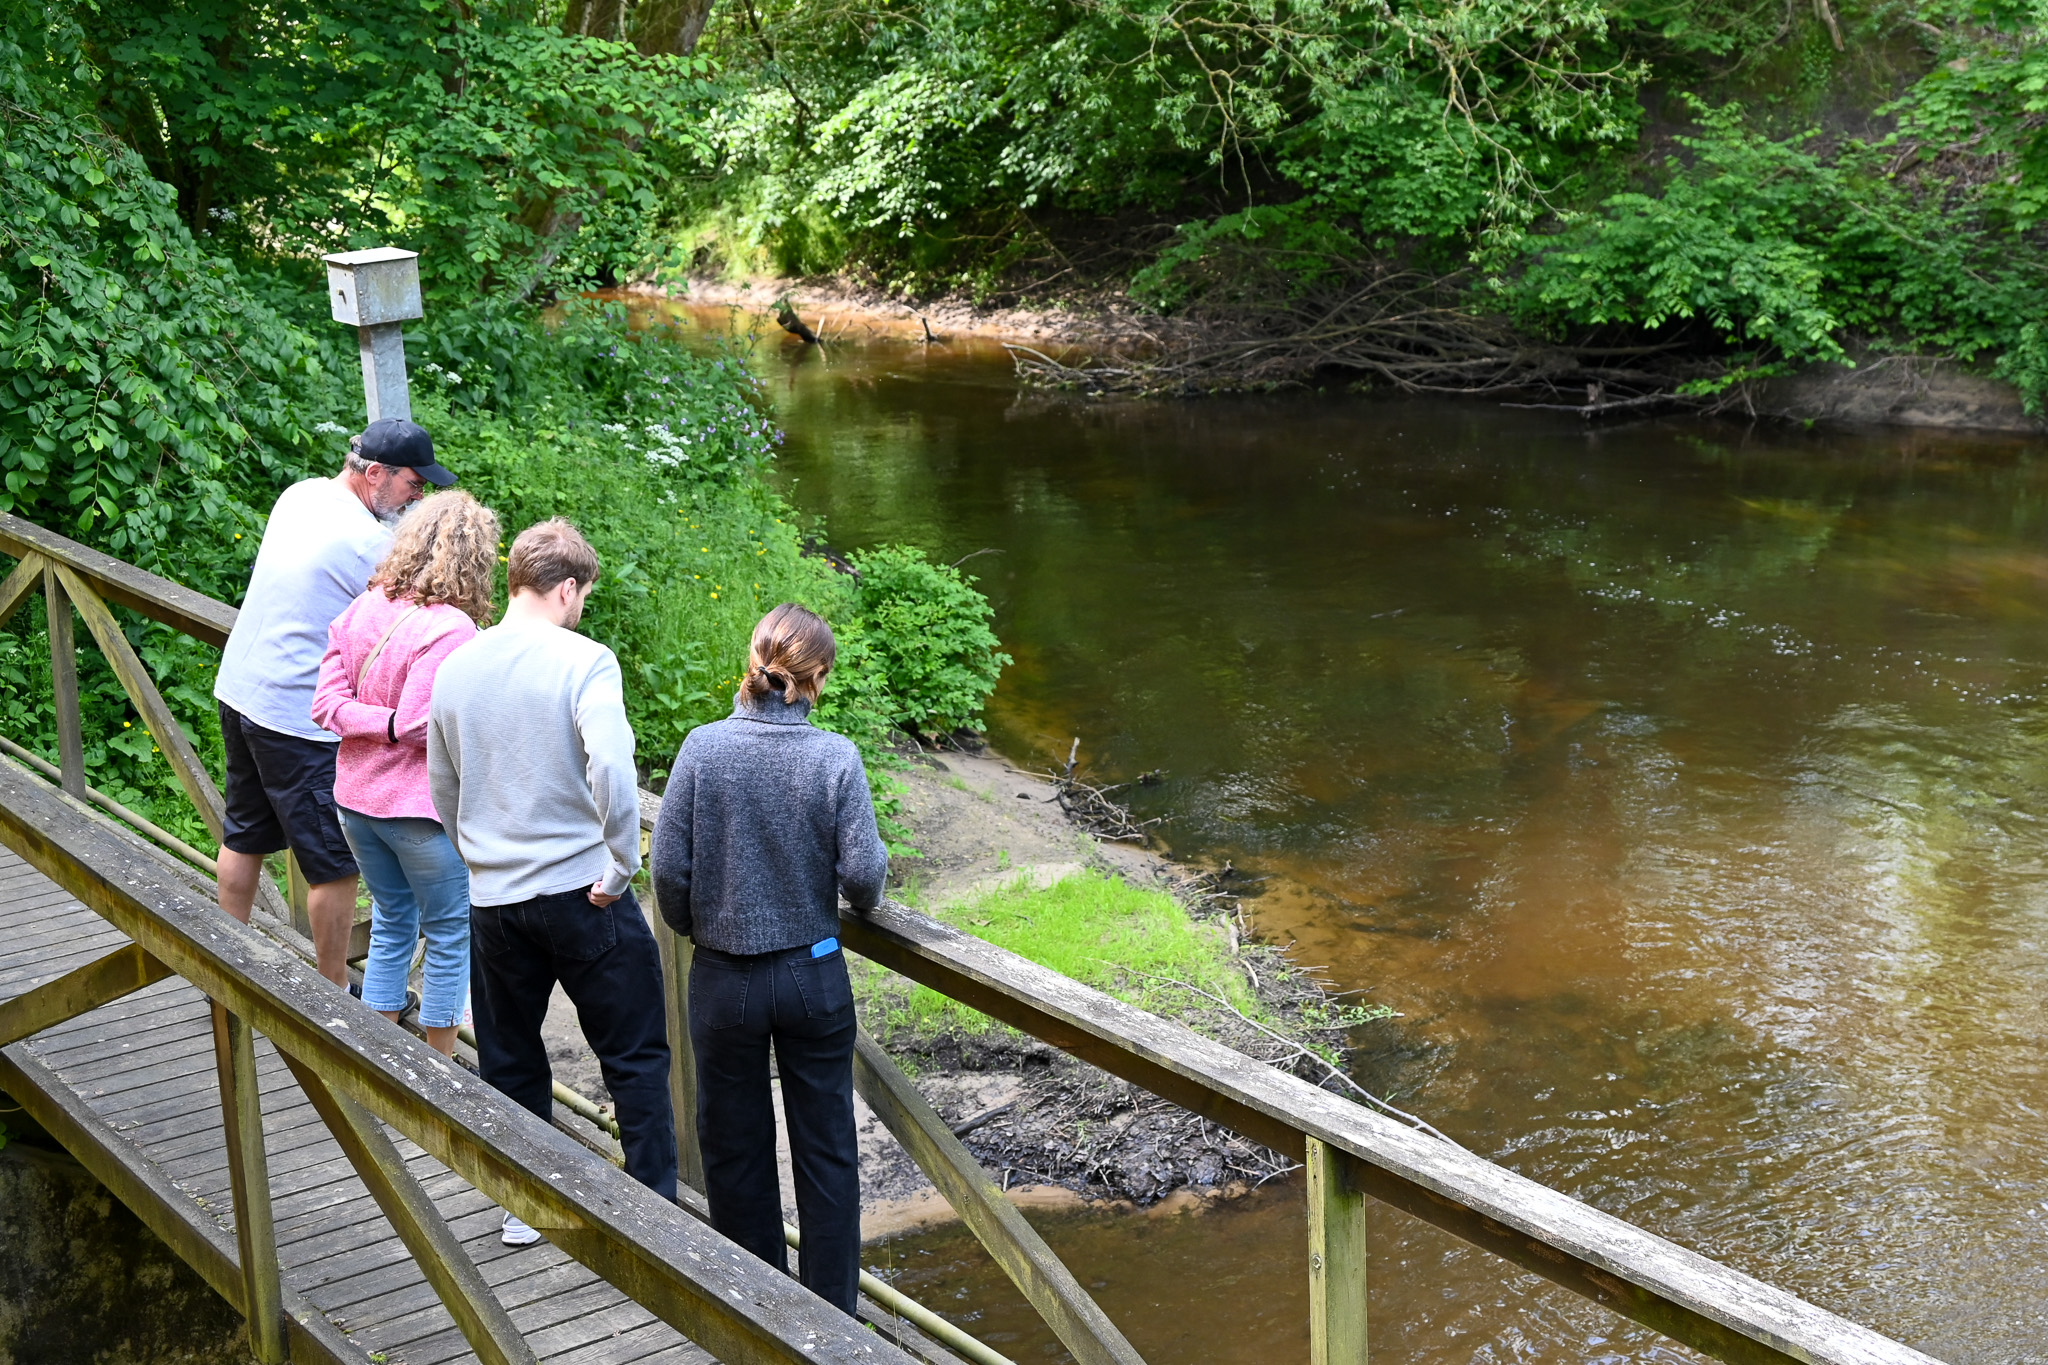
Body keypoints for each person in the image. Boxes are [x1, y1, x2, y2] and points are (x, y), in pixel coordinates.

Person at [427, 518, 676, 1244]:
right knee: (633, 1055)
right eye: (583, 595)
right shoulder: (585, 661)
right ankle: (655, 1217)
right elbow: (613, 770)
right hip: (582, 891)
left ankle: (524, 1206)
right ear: (567, 588)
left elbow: (442, 783)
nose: (581, 608)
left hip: (495, 898)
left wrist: (477, 856)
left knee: (510, 1056)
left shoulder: (456, 666)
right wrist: (621, 862)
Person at [649, 602, 888, 1315]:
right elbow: (864, 874)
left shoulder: (702, 749)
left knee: (734, 1148)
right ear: (817, 678)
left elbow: (667, 870)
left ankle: (758, 1314)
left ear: (752, 662)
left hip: (724, 978)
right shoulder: (834, 757)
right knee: (827, 1150)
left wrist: (700, 927)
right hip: (814, 972)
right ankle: (834, 1318)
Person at [213, 418, 456, 986]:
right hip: (297, 718)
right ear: (376, 474)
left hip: (242, 688)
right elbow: (415, 618)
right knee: (334, 867)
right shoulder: (368, 542)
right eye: (413, 484)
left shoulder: (301, 494)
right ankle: (333, 996)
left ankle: (223, 970)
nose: (418, 497)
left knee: (243, 835)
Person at [312, 491, 500, 1056]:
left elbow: (327, 705)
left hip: (355, 802)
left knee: (393, 922)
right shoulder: (452, 629)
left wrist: (371, 720)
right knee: (449, 934)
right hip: (418, 812)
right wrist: (393, 724)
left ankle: (380, 1059)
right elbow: (420, 724)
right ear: (475, 559)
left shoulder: (364, 607)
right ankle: (435, 1074)